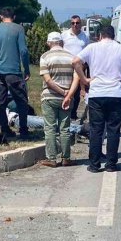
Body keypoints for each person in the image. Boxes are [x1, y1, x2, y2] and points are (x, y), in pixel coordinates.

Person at [73, 25, 121, 173]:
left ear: (100, 35)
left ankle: (94, 164)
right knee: (113, 130)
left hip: (97, 94)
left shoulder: (92, 48)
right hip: (116, 94)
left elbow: (75, 61)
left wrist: (84, 79)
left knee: (96, 130)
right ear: (113, 36)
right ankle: (111, 164)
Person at [0, 7, 31, 140]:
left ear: (1, 16)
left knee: (1, 102)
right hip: (14, 72)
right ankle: (23, 130)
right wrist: (26, 69)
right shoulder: (18, 29)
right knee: (22, 102)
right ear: (14, 17)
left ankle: (5, 129)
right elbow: (23, 51)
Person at [39, 32, 80, 168]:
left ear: (48, 43)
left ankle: (51, 158)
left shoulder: (45, 57)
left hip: (49, 97)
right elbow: (76, 78)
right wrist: (68, 95)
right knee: (65, 128)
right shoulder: (71, 57)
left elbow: (47, 80)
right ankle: (66, 158)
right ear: (62, 42)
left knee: (50, 128)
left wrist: (61, 92)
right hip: (67, 98)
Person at [62, 15, 89, 120]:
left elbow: (87, 51)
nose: (75, 25)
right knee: (67, 88)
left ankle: (73, 114)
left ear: (80, 24)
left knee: (77, 92)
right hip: (66, 66)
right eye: (73, 23)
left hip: (79, 67)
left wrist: (85, 65)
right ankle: (65, 111)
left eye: (77, 23)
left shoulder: (85, 36)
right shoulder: (64, 35)